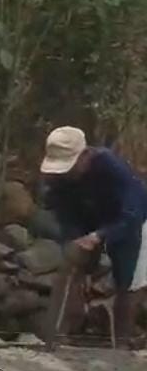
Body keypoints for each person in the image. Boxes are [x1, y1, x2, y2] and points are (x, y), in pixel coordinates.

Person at [40, 126, 147, 348]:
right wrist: (76, 241)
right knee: (70, 263)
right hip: (91, 224)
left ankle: (121, 347)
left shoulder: (113, 170)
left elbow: (133, 215)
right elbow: (65, 216)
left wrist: (100, 236)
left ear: (86, 155)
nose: (67, 173)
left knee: (127, 286)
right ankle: (56, 338)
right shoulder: (58, 181)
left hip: (132, 223)